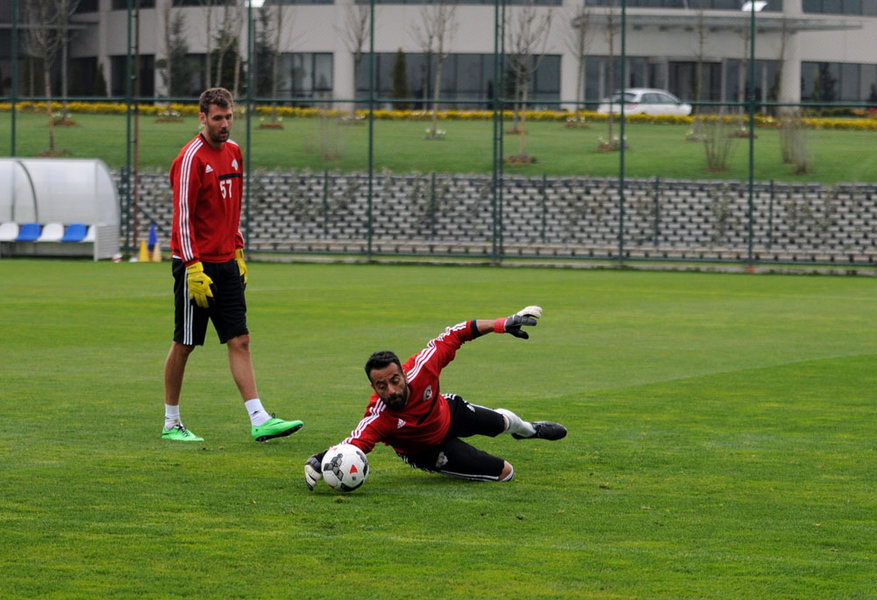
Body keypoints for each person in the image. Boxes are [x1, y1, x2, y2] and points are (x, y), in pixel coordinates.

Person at [161, 87, 303, 443]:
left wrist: (238, 249)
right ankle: (171, 422)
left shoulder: (235, 153)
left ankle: (259, 419)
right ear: (202, 118)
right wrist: (192, 266)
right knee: (185, 343)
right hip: (196, 265)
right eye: (217, 118)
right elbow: (182, 218)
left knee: (240, 339)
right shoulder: (190, 158)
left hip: (226, 263)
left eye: (229, 117)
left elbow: (231, 209)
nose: (224, 124)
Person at [304, 306, 566, 488]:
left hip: (446, 411)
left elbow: (456, 333)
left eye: (395, 380)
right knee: (506, 473)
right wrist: (319, 459)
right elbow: (354, 443)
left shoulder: (423, 367)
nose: (391, 390)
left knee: (505, 423)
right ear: (373, 387)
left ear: (404, 374)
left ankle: (529, 430)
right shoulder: (379, 417)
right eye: (381, 386)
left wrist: (503, 323)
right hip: (427, 451)